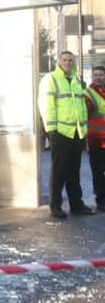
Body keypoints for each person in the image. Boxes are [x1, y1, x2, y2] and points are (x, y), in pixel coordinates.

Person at [38, 50, 95, 218]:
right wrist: (51, 130)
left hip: (76, 131)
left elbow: (81, 106)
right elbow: (47, 105)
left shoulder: (76, 80)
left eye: (70, 60)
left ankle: (76, 205)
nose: (68, 63)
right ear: (59, 61)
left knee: (74, 171)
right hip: (60, 132)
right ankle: (55, 206)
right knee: (59, 171)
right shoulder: (51, 79)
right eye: (65, 60)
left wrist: (83, 128)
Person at [85, 65, 105, 212]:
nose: (99, 77)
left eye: (101, 75)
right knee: (98, 172)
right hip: (95, 140)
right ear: (92, 76)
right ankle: (101, 200)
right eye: (96, 75)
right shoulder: (88, 93)